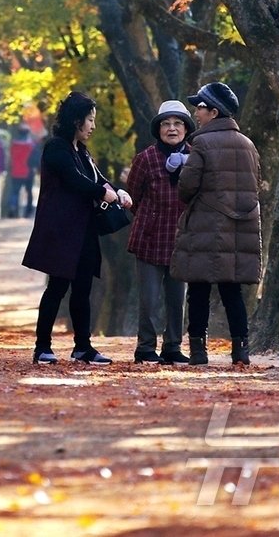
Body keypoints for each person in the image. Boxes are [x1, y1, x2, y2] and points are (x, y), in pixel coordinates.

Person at [21, 91, 131, 365]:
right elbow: (75, 180)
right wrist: (102, 192)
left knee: (83, 289)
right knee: (57, 288)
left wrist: (117, 190)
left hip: (84, 230)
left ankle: (83, 346)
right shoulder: (56, 147)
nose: (93, 126)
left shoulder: (81, 150)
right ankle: (42, 347)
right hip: (62, 231)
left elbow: (98, 178)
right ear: (75, 120)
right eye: (89, 120)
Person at [170, 82, 262, 367]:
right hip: (239, 227)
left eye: (200, 107)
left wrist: (180, 175)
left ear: (213, 112)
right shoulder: (248, 145)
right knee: (232, 291)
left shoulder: (202, 143)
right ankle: (241, 351)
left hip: (206, 226)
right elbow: (255, 184)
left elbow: (187, 187)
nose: (195, 113)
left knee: (198, 289)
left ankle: (199, 351)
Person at [125, 101, 195, 364]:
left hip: (182, 238)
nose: (172, 129)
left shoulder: (196, 157)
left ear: (186, 128)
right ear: (159, 129)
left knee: (177, 299)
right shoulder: (145, 158)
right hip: (150, 238)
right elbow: (133, 198)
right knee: (150, 299)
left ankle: (172, 347)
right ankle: (145, 347)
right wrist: (151, 218)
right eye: (166, 124)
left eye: (177, 123)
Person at [5, 125, 38, 218]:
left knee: (15, 192)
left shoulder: (14, 144)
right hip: (28, 171)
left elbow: (11, 157)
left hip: (16, 171)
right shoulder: (32, 145)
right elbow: (35, 158)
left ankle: (12, 208)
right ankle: (28, 212)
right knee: (29, 192)